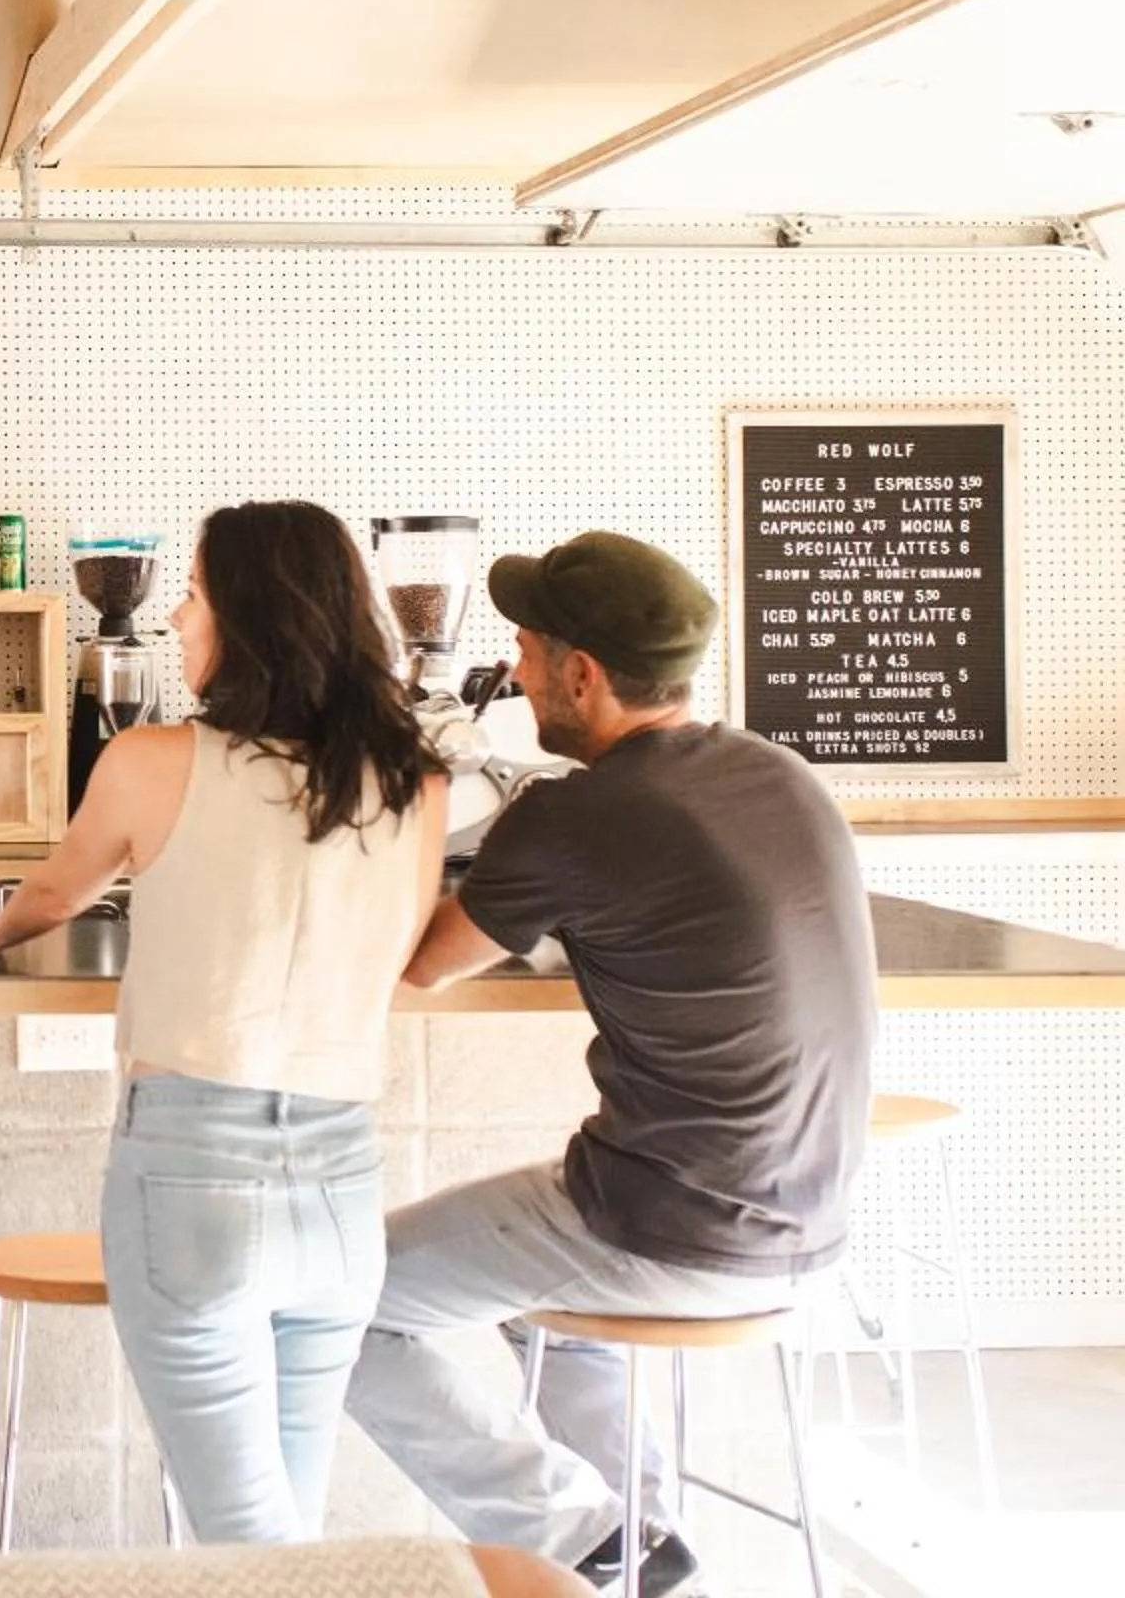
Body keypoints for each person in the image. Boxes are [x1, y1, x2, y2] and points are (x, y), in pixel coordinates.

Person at [345, 530, 877, 1597]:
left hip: (672, 1223)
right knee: (540, 1303)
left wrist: (414, 792)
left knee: (334, 1302)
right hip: (809, 1222)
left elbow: (421, 966)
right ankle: (639, 1552)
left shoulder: (576, 815)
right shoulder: (779, 772)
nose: (518, 667)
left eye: (529, 650)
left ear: (581, 675)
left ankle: (583, 1533)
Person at [0, 501, 447, 1543]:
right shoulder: (415, 781)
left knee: (248, 1546)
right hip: (344, 1179)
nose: (174, 616)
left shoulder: (152, 760)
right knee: (286, 1524)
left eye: (197, 593)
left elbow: (52, 894)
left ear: (253, 616)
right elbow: (395, 942)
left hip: (193, 1172)